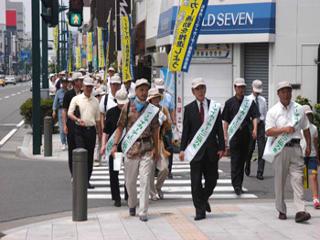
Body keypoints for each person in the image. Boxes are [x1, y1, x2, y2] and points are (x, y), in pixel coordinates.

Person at [111, 78, 160, 222]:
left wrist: (156, 149)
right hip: (131, 149)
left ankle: (143, 211)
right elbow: (120, 127)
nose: (144, 93)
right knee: (130, 182)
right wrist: (114, 145)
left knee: (145, 181)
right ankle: (132, 204)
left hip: (147, 148)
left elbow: (156, 131)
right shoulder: (127, 107)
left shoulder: (152, 110)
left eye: (146, 90)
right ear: (136, 91)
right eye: (141, 90)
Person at [265, 81, 311, 223]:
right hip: (280, 149)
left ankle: (300, 210)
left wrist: (308, 145)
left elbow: (306, 128)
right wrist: (283, 129)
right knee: (280, 181)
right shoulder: (273, 111)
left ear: (291, 93)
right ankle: (281, 209)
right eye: (283, 91)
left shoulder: (299, 109)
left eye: (288, 91)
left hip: (296, 148)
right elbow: (268, 131)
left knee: (298, 179)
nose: (286, 94)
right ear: (278, 94)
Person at [179, 78, 224, 221]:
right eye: (197, 89)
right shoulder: (189, 108)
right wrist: (181, 149)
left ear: (205, 89)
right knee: (195, 182)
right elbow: (186, 131)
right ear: (193, 91)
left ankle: (203, 199)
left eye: (202, 88)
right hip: (195, 151)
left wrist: (222, 147)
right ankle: (199, 210)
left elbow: (219, 129)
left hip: (212, 150)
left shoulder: (214, 107)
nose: (200, 91)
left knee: (213, 180)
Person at [222, 78, 259, 195]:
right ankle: (236, 185)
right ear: (235, 88)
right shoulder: (229, 103)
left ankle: (239, 184)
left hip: (246, 135)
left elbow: (255, 116)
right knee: (235, 161)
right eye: (239, 87)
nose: (241, 89)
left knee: (242, 161)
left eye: (243, 87)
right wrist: (225, 135)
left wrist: (255, 129)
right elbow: (226, 121)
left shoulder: (249, 102)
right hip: (234, 136)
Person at [68, 77, 101, 189]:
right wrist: (77, 119)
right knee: (81, 154)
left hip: (91, 130)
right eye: (87, 86)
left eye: (91, 86)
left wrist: (100, 135)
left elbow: (98, 120)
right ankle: (78, 179)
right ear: (83, 87)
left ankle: (86, 180)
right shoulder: (76, 99)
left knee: (89, 156)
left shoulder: (96, 101)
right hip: (79, 130)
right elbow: (69, 113)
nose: (89, 88)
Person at [100, 87, 129, 207]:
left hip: (128, 146)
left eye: (124, 103)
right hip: (115, 148)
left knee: (129, 173)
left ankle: (129, 195)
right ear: (116, 101)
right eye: (120, 103)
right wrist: (103, 145)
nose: (122, 106)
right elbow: (105, 131)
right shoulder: (111, 113)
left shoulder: (131, 111)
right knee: (115, 172)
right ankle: (116, 198)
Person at [147, 88, 172, 201]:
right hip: (148, 143)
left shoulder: (163, 109)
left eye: (157, 97)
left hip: (160, 142)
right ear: (150, 99)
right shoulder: (145, 110)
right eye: (153, 97)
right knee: (150, 169)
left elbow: (168, 127)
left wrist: (165, 120)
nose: (156, 99)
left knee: (164, 168)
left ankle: (158, 188)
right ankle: (152, 192)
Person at [245, 80, 268, 180]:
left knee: (262, 150)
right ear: (252, 88)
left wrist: (267, 128)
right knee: (250, 148)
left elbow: (265, 114)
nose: (257, 92)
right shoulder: (247, 99)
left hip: (261, 125)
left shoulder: (263, 100)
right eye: (256, 90)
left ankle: (260, 172)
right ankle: (247, 165)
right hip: (250, 126)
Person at [62, 72, 83, 178]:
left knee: (82, 149)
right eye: (80, 80)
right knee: (72, 149)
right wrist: (64, 125)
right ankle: (73, 174)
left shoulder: (85, 93)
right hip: (71, 124)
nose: (82, 82)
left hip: (83, 125)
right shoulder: (68, 94)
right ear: (75, 82)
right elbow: (64, 111)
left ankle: (82, 176)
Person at [154, 78, 176, 179]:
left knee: (169, 148)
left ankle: (169, 170)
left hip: (166, 127)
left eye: (161, 89)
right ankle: (156, 169)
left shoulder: (168, 97)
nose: (160, 91)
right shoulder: (151, 97)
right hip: (155, 127)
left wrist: (174, 122)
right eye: (159, 90)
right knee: (155, 147)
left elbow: (172, 110)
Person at [301, 105, 320, 209]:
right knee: (302, 178)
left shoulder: (314, 128)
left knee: (313, 176)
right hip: (301, 155)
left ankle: (316, 199)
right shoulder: (298, 127)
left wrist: (317, 156)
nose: (308, 117)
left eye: (309, 115)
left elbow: (316, 143)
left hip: (312, 155)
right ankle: (300, 198)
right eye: (306, 115)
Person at [52, 77, 68, 150]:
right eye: (63, 82)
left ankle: (68, 142)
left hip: (68, 110)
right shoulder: (58, 92)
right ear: (61, 83)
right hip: (61, 110)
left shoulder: (69, 91)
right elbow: (55, 101)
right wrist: (54, 110)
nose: (65, 84)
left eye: (66, 82)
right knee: (61, 128)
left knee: (68, 127)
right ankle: (63, 143)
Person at [93, 88, 106, 166]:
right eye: (101, 95)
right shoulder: (96, 104)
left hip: (100, 125)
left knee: (99, 142)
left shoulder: (102, 104)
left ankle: (98, 157)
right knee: (97, 142)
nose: (102, 96)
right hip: (96, 126)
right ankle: (96, 158)